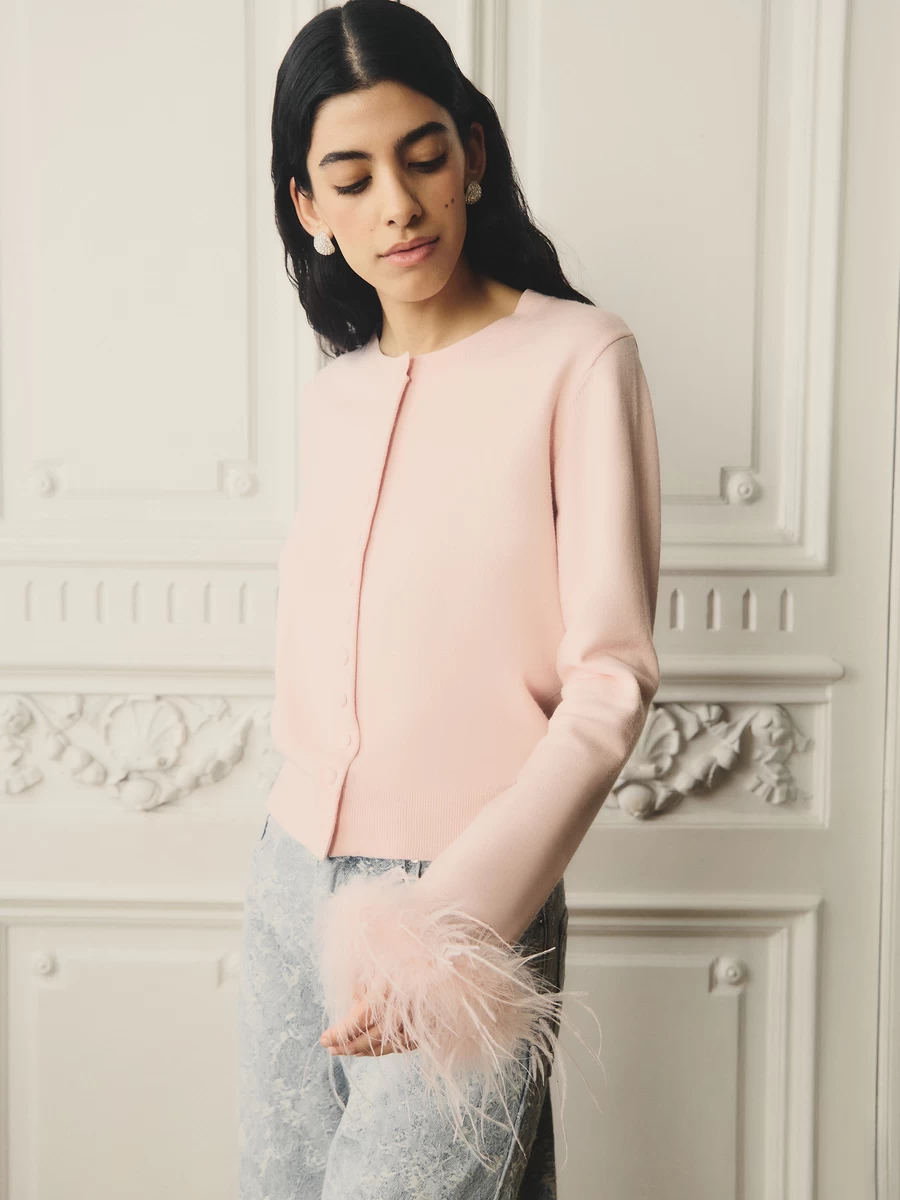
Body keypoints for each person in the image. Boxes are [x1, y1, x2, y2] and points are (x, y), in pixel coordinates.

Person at [237, 2, 662, 1197]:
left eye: (423, 157)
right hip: (287, 882)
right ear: (307, 207)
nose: (398, 205)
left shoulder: (580, 359)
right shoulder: (336, 395)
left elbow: (611, 684)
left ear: (473, 152)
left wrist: (455, 920)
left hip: (467, 894)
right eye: (351, 178)